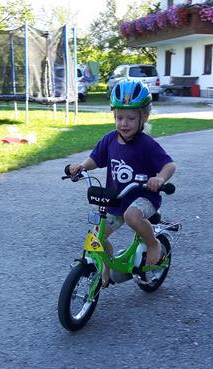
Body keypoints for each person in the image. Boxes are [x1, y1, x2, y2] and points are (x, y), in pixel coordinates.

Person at [68, 79, 176, 287]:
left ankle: (153, 244)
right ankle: (106, 266)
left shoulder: (147, 145)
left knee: (132, 215)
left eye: (130, 118)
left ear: (143, 117)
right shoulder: (109, 140)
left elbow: (169, 165)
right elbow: (95, 159)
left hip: (144, 198)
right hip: (116, 199)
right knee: (96, 236)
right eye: (119, 117)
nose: (124, 123)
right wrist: (81, 167)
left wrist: (159, 179)